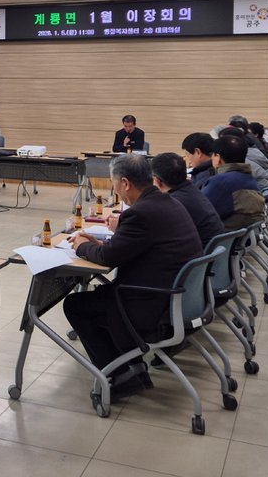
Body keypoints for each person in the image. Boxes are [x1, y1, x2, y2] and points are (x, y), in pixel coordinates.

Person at [66, 154, 203, 401]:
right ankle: (131, 365)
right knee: (97, 299)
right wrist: (100, 245)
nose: (114, 188)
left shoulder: (141, 213)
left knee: (76, 305)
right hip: (176, 296)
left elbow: (108, 258)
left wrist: (81, 247)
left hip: (151, 304)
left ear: (125, 183)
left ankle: (120, 376)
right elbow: (127, 248)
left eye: (113, 182)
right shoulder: (167, 202)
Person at [151, 152, 224, 247]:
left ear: (157, 181)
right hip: (213, 250)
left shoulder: (173, 203)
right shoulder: (192, 190)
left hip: (200, 252)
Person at [201, 134, 265, 230]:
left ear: (217, 158)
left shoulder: (220, 181)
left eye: (212, 155)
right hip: (240, 232)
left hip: (220, 233)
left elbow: (202, 211)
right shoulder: (247, 177)